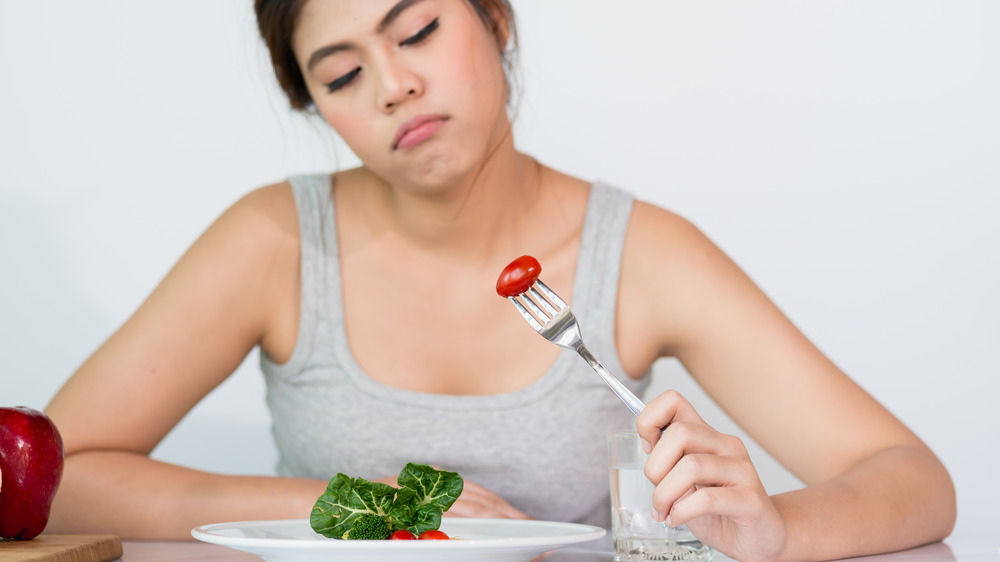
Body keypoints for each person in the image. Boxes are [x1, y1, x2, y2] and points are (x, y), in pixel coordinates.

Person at [44, 0, 955, 559]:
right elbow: (60, 473)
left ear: (496, 16)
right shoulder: (273, 239)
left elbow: (912, 479)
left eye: (418, 30)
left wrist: (779, 533)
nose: (394, 85)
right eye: (344, 73)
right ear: (315, 107)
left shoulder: (644, 254)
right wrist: (370, 509)